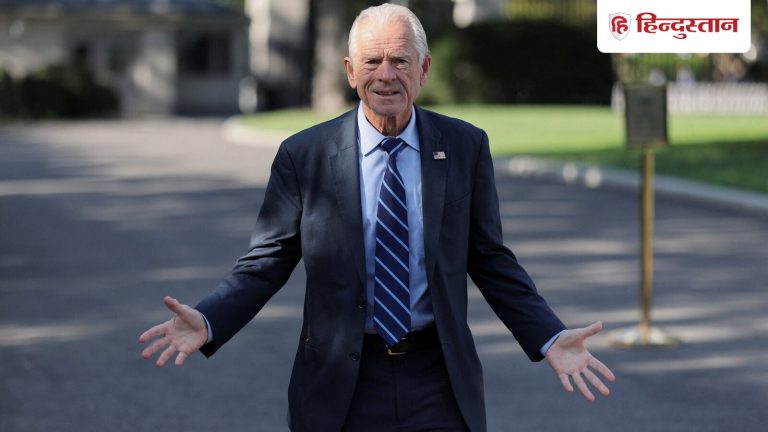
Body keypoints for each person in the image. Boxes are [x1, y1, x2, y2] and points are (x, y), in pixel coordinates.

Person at [139, 4, 615, 432]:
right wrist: (210, 318)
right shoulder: (305, 156)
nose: (385, 75)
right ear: (350, 71)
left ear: (423, 68)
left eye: (400, 60)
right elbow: (265, 262)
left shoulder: (465, 146)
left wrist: (548, 334)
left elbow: (490, 258)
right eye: (371, 61)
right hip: (340, 383)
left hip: (438, 380)